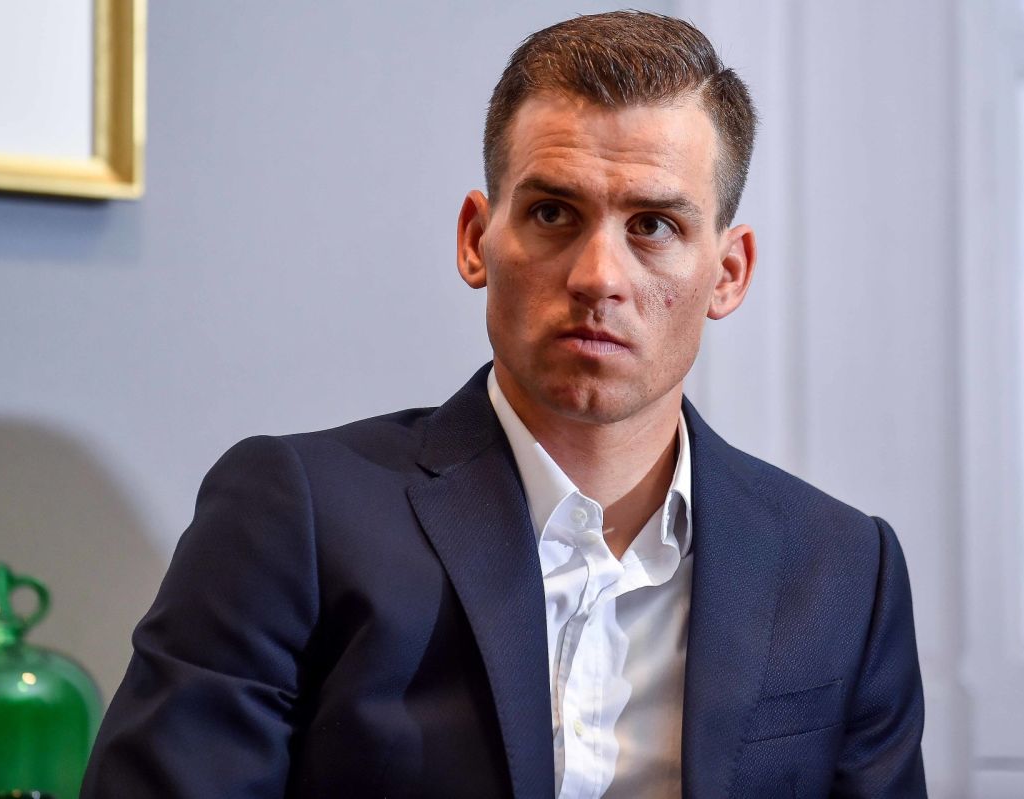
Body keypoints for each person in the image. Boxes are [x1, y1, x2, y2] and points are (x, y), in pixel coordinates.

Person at [81, 11, 926, 798]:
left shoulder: (845, 571)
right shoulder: (294, 514)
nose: (598, 276)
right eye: (554, 212)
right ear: (475, 239)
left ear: (729, 273)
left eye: (653, 225)